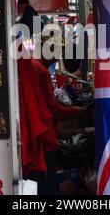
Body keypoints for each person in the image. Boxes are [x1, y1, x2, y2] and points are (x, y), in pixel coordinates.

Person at [18, 39, 85, 195]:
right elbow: (53, 108)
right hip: (44, 135)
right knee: (46, 184)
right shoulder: (41, 71)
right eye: (55, 53)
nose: (57, 57)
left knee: (40, 182)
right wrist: (76, 111)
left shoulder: (34, 66)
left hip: (35, 133)